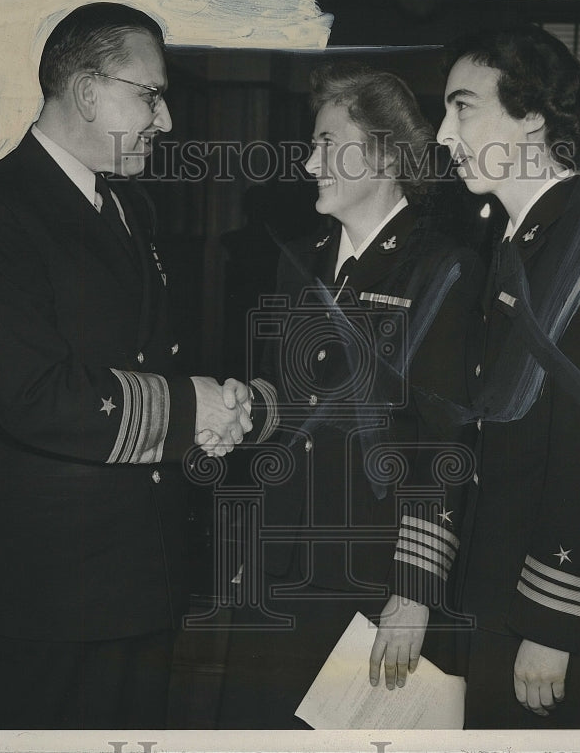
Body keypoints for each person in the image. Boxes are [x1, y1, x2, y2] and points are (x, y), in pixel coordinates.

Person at [0, 2, 251, 729]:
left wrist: (212, 412)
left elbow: (149, 355)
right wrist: (189, 412)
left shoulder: (127, 207)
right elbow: (33, 394)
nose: (165, 120)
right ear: (86, 92)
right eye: (149, 95)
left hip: (141, 571)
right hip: (53, 588)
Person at [214, 62, 481, 728]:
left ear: (387, 153)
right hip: (284, 560)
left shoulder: (442, 268)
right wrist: (242, 406)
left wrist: (414, 591)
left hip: (376, 570)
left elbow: (441, 440)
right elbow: (294, 397)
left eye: (328, 144)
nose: (310, 163)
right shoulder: (298, 259)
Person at [436, 24, 580, 727]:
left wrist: (550, 626)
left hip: (539, 612)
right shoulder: (515, 243)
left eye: (462, 107)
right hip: (495, 589)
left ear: (530, 116)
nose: (443, 134)